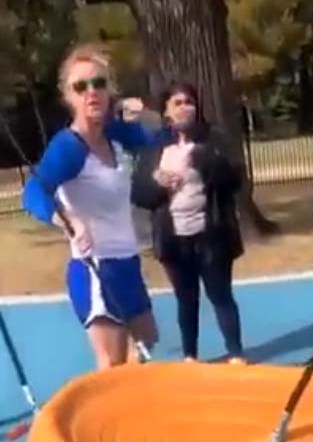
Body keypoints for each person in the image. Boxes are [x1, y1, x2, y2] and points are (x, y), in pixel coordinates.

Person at [21, 42, 159, 370]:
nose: (91, 92)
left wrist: (144, 111)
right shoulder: (69, 146)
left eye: (98, 83)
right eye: (80, 87)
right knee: (112, 364)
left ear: (110, 90)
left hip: (127, 263)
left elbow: (160, 134)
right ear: (68, 97)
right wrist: (69, 219)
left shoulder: (115, 134)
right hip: (96, 267)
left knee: (146, 344)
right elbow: (33, 193)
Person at [131, 81, 246, 364]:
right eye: (178, 103)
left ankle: (235, 353)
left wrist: (205, 160)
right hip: (173, 238)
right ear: (167, 111)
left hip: (211, 234)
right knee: (186, 299)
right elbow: (139, 194)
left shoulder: (213, 139)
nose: (185, 108)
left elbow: (235, 179)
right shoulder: (155, 147)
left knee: (220, 294)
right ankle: (190, 356)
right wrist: (157, 182)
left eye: (189, 102)